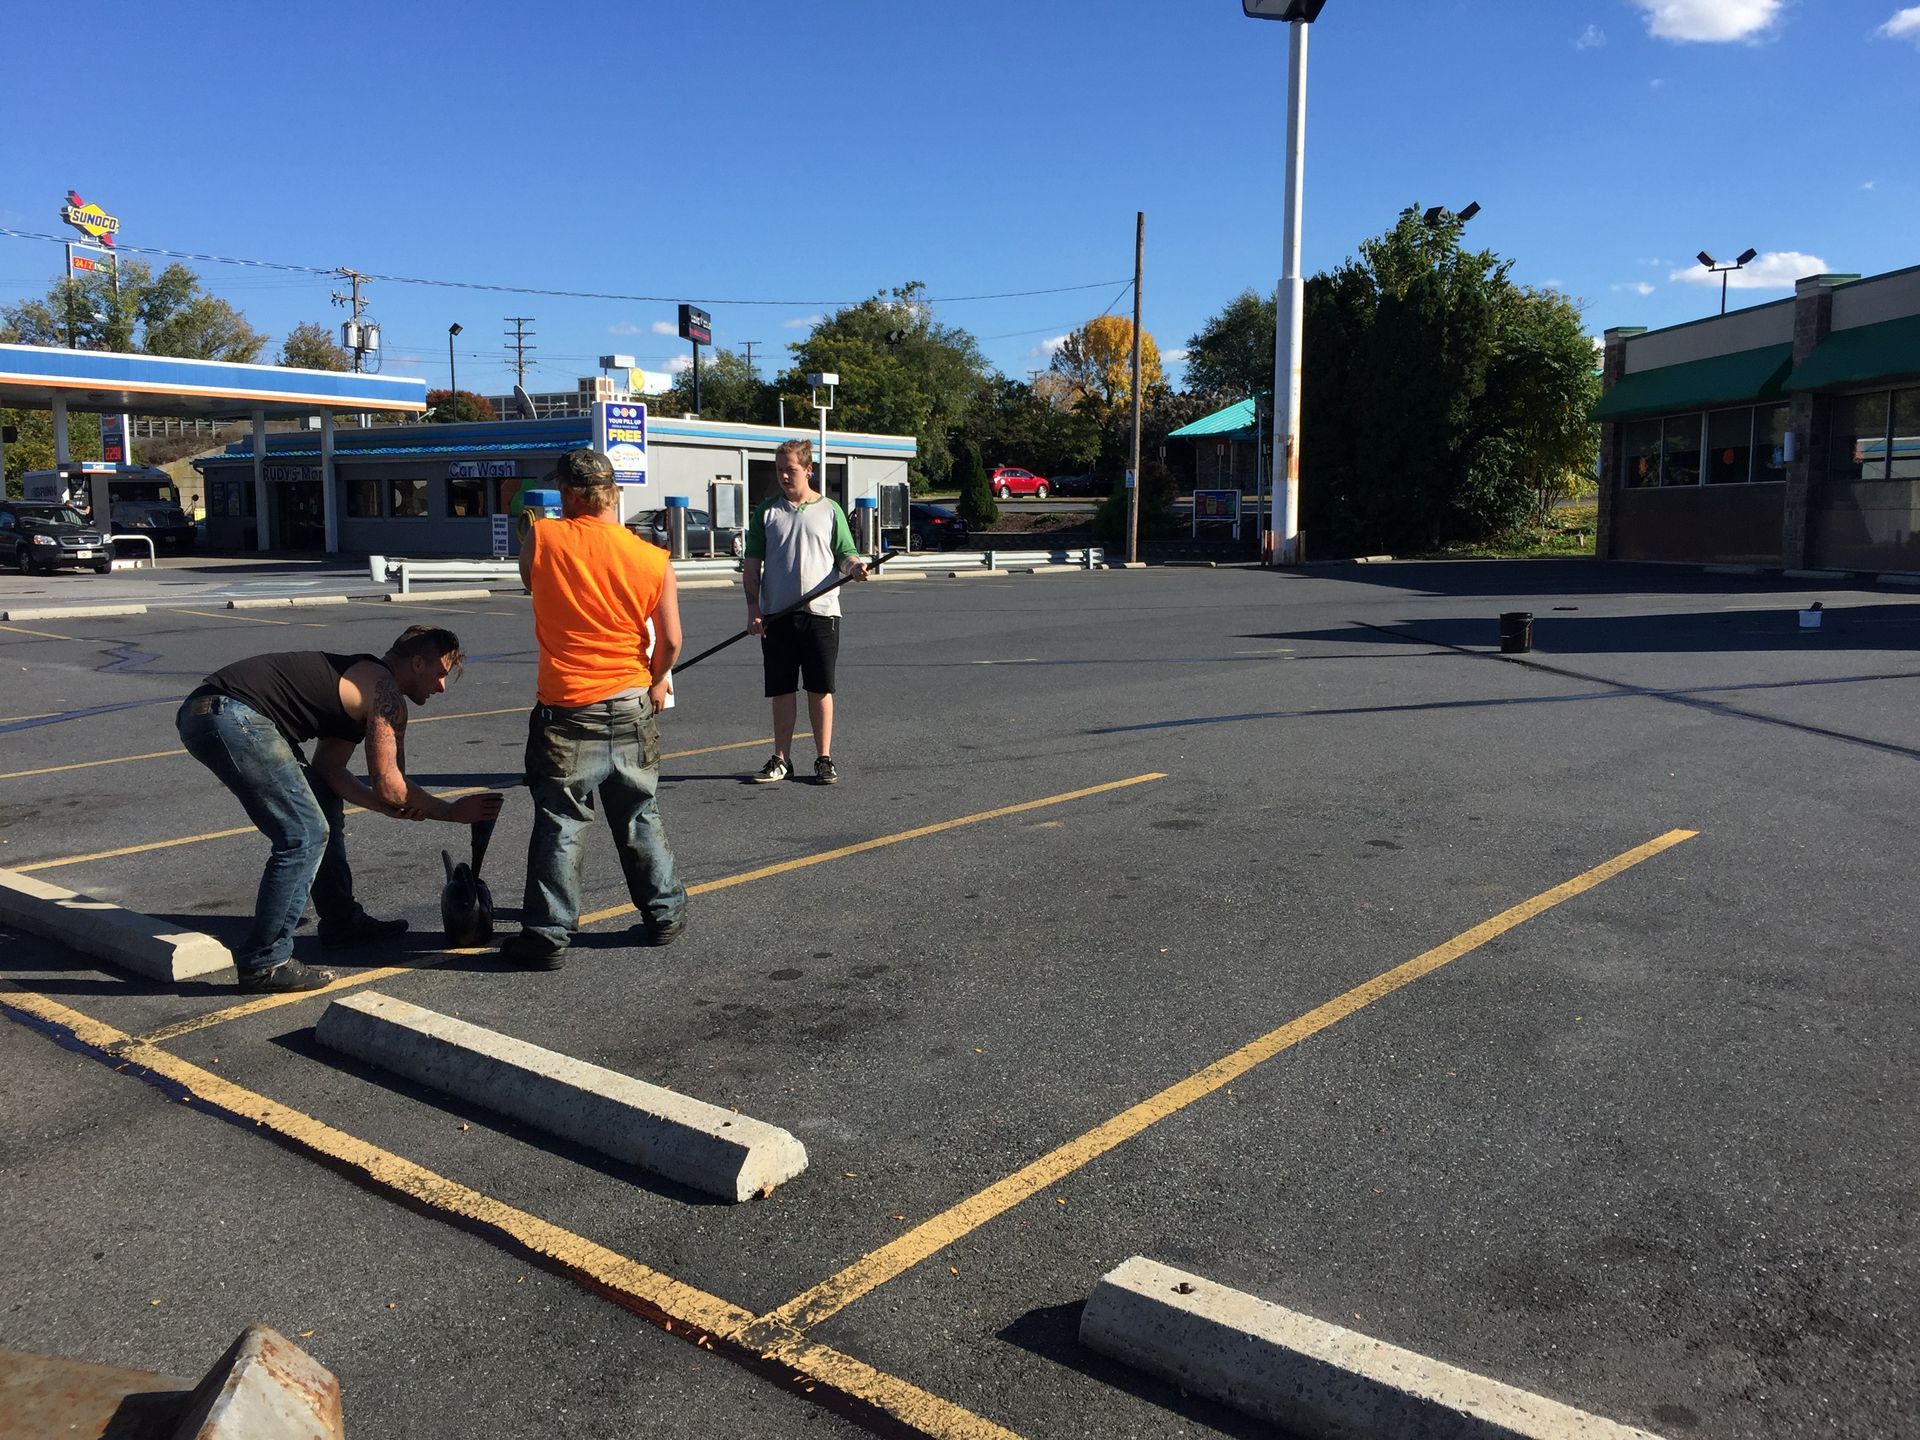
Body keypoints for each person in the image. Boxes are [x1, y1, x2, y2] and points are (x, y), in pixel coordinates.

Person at [175, 627, 506, 994]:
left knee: (321, 803)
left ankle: (341, 923)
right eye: (441, 674)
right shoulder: (385, 692)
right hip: (233, 715)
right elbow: (391, 785)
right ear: (417, 662)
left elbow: (330, 771)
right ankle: (266, 961)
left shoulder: (360, 683)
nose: (442, 687)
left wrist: (387, 806)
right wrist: (451, 811)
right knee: (304, 834)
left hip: (206, 711)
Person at [500, 448, 688, 970]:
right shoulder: (653, 557)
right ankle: (664, 913)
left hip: (568, 706)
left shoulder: (545, 537)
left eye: (562, 490)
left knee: (561, 821)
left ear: (573, 493)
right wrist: (653, 679)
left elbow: (529, 583)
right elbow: (671, 639)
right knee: (638, 813)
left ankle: (548, 934)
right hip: (631, 701)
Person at [742, 438, 868, 785]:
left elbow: (846, 553)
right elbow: (752, 568)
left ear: (808, 470)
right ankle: (781, 759)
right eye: (780, 469)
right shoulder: (766, 512)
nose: (784, 475)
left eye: (791, 469)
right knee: (781, 689)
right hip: (777, 617)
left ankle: (823, 758)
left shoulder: (829, 510)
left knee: (820, 687)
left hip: (822, 614)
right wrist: (754, 609)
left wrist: (855, 567)